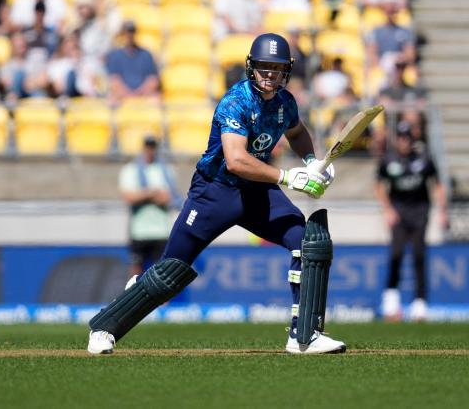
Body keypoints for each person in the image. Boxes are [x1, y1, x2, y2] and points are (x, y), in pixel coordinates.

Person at [87, 33, 346, 355]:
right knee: (169, 272)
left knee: (309, 243)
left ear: (286, 71)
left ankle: (304, 335)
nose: (269, 73)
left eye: (276, 68)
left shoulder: (285, 102)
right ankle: (105, 326)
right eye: (264, 67)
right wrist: (289, 176)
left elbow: (296, 132)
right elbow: (236, 161)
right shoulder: (236, 101)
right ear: (251, 67)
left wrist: (312, 160)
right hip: (214, 193)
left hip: (257, 193)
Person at [374, 122, 447, 322]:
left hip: (420, 211)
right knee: (396, 254)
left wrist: (442, 211)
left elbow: (437, 184)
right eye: (401, 137)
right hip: (398, 213)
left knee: (419, 255)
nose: (404, 141)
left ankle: (420, 305)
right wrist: (388, 210)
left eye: (407, 138)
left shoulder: (424, 159)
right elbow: (379, 186)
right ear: (396, 139)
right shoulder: (389, 160)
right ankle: (391, 304)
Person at [119, 136, 181, 280]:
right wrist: (152, 193)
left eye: (152, 147)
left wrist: (143, 195)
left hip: (161, 231)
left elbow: (171, 197)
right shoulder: (131, 169)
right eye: (148, 146)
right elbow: (128, 197)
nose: (150, 150)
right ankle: (134, 300)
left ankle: (163, 303)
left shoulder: (166, 170)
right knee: (136, 270)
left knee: (162, 272)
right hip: (139, 231)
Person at [104, 20, 160, 105]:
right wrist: (128, 95)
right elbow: (114, 81)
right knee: (111, 101)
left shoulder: (146, 55)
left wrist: (138, 94)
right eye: (126, 32)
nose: (129, 35)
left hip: (144, 96)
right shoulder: (115, 55)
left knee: (156, 101)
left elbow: (152, 80)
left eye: (131, 31)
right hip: (121, 97)